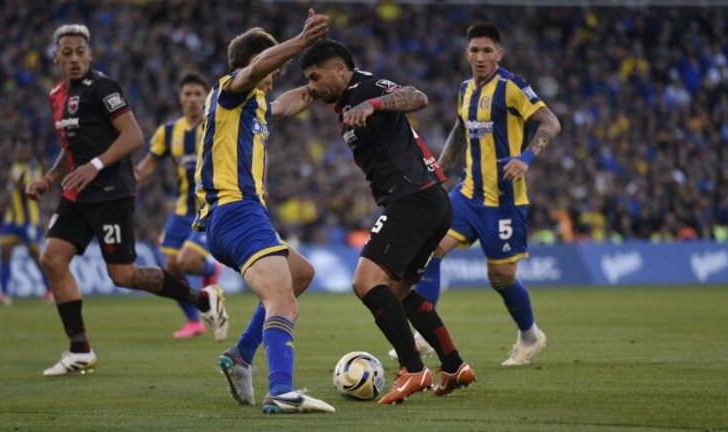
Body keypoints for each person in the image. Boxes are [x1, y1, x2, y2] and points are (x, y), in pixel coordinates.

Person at [25, 24, 228, 377]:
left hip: (111, 192)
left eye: (80, 52)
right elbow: (71, 148)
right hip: (77, 193)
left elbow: (133, 136)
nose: (74, 59)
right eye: (67, 53)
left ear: (90, 55)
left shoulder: (103, 88)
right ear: (56, 57)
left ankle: (203, 299)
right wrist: (49, 179)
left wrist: (95, 166)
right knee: (52, 260)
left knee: (123, 275)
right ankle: (80, 349)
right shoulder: (56, 95)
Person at [302, 39, 476, 404]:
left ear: (339, 70)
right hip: (429, 201)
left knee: (365, 282)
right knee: (399, 292)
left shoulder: (364, 87)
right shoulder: (343, 102)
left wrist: (373, 104)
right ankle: (453, 365)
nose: (312, 86)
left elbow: (417, 96)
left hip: (412, 199)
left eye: (315, 77)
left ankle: (413, 369)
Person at [194, 10, 334, 414]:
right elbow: (255, 69)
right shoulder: (230, 90)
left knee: (301, 274)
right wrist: (301, 41)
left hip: (237, 216)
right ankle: (281, 390)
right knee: (283, 301)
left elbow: (286, 106)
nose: (276, 76)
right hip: (236, 211)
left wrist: (319, 87)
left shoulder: (251, 107)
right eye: (275, 67)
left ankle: (241, 355)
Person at [415, 22, 562, 366]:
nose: (480, 57)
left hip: (505, 201)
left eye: (487, 50)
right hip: (467, 194)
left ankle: (530, 335)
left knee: (501, 277)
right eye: (474, 50)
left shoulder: (512, 87)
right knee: (429, 250)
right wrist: (438, 171)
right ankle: (423, 332)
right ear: (466, 53)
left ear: (499, 54)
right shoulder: (465, 89)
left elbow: (551, 122)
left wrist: (526, 159)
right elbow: (460, 130)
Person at [135, 72, 223, 339]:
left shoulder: (217, 124)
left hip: (209, 208)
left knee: (186, 262)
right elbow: (149, 163)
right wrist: (132, 178)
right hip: (182, 210)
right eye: (188, 94)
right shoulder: (168, 131)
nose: (193, 99)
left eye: (198, 94)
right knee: (171, 269)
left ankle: (210, 269)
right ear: (180, 98)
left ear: (206, 97)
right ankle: (194, 322)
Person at [0, 144, 53, 306]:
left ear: (28, 152)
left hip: (29, 221)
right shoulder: (15, 166)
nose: (17, 153)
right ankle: (3, 293)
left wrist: (14, 182)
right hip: (11, 219)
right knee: (4, 251)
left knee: (35, 256)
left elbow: (30, 191)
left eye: (21, 150)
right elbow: (10, 192)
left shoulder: (33, 168)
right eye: (16, 150)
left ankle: (49, 290)